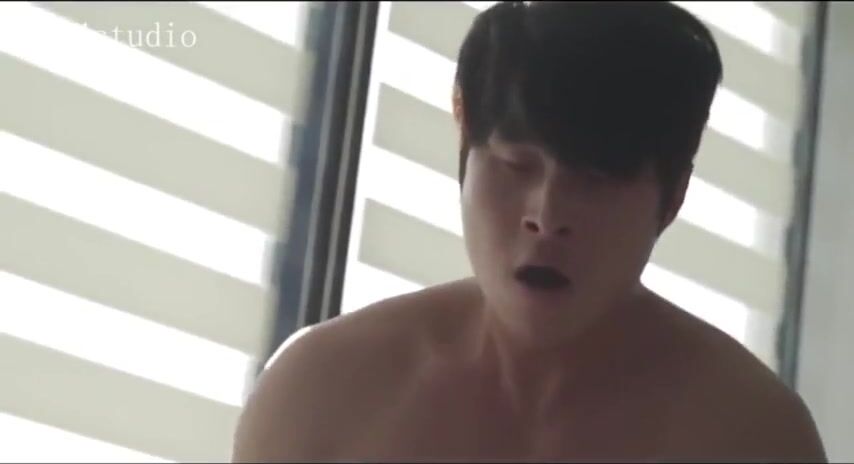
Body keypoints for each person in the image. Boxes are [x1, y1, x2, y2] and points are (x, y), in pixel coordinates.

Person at [232, 2, 827, 462]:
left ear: (672, 198)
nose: (547, 214)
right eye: (516, 165)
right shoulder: (322, 391)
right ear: (465, 139)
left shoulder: (753, 435)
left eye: (595, 181)